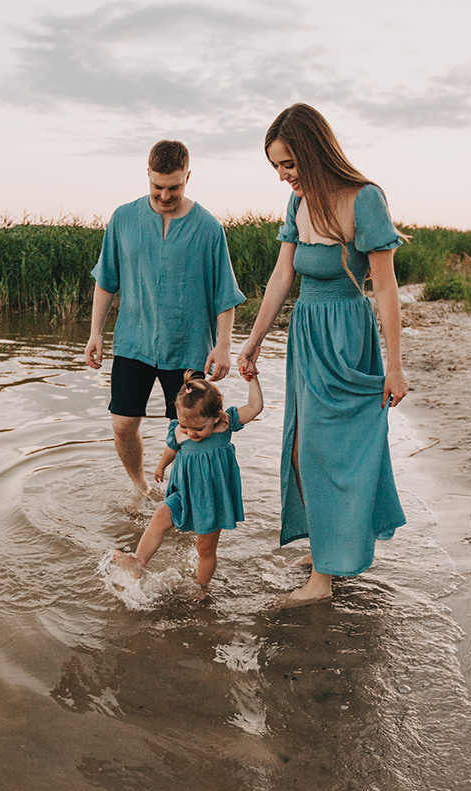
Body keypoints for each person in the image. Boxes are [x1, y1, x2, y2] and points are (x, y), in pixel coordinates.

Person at [236, 103, 409, 607]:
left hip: (346, 339)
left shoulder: (365, 200)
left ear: (314, 150)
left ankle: (323, 579)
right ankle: (325, 553)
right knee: (299, 448)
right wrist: (254, 337)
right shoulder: (297, 206)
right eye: (276, 167)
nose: (284, 176)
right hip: (305, 338)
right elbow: (282, 276)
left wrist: (394, 366)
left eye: (289, 164)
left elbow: (387, 289)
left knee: (328, 453)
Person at [84, 140, 246, 502]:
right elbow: (106, 280)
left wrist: (222, 347)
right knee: (123, 425)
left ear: (188, 177)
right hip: (133, 342)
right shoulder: (123, 218)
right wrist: (95, 333)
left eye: (174, 187)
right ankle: (140, 487)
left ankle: (183, 501)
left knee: (194, 432)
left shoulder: (208, 228)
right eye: (157, 186)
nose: (165, 194)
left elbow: (225, 295)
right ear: (147, 175)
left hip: (188, 347)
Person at [112, 369, 263, 588]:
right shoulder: (178, 430)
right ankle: (138, 561)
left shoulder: (226, 424)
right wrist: (161, 466)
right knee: (159, 517)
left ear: (216, 417)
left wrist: (252, 380)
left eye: (198, 428)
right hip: (184, 492)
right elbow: (171, 448)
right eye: (185, 426)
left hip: (212, 498)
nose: (190, 433)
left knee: (205, 548)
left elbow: (255, 407)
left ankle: (201, 588)